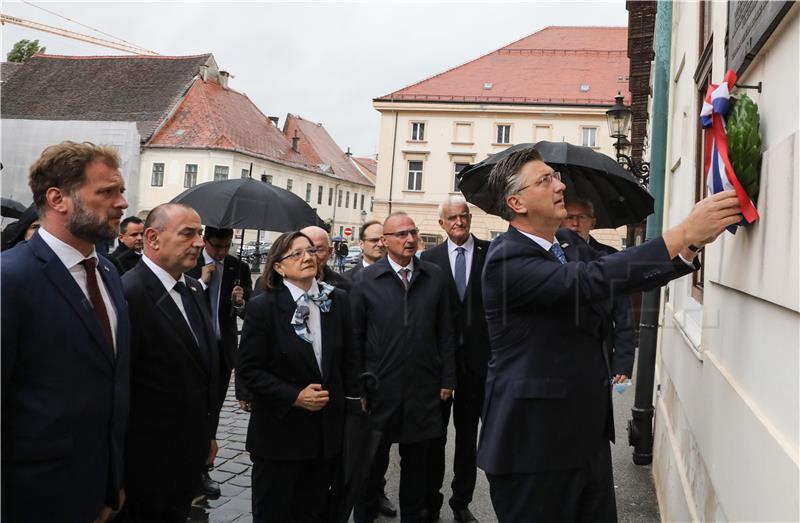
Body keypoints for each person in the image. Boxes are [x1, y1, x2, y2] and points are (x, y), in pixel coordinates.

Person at [476, 147, 743, 522]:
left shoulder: (569, 247)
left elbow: (615, 277)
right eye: (546, 180)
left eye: (556, 176)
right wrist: (681, 230)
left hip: (586, 440)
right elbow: (593, 280)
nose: (561, 186)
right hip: (532, 449)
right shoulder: (506, 259)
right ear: (516, 202)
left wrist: (691, 246)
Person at [1, 141, 129, 522]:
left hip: (99, 488)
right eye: (107, 192)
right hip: (34, 495)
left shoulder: (108, 272)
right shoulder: (10, 278)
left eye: (121, 190)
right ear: (58, 199)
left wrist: (112, 480)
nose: (122, 202)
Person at [237, 231, 361, 522]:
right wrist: (294, 396)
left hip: (325, 438)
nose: (307, 257)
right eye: (296, 254)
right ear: (279, 267)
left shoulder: (337, 300)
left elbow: (349, 360)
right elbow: (249, 370)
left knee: (315, 512)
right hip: (280, 437)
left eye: (310, 251)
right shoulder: (263, 306)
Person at [351, 212, 456, 523]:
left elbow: (446, 332)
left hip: (423, 390)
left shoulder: (434, 276)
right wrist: (358, 388)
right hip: (379, 389)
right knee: (371, 466)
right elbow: (355, 337)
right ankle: (366, 516)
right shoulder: (365, 280)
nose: (409, 239)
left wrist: (447, 377)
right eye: (401, 234)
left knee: (417, 469)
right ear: (385, 241)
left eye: (413, 232)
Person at [121, 203, 219, 522]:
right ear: (153, 238)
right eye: (188, 234)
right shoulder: (129, 294)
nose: (200, 243)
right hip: (145, 466)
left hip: (187, 458)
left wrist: (207, 434)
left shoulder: (191, 288)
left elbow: (201, 369)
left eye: (200, 234)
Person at [420, 195, 490, 523]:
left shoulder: (492, 254)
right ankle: (430, 503)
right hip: (439, 365)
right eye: (452, 218)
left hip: (479, 364)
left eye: (463, 216)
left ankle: (461, 502)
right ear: (441, 224)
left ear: (470, 219)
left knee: (467, 438)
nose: (459, 222)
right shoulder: (429, 259)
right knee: (435, 436)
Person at [186, 225, 253, 494]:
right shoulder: (190, 263)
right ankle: (186, 465)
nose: (221, 252)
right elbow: (181, 302)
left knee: (213, 409)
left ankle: (204, 469)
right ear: (205, 241)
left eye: (226, 247)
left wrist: (239, 302)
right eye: (216, 246)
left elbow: (246, 311)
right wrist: (201, 283)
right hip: (194, 348)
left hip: (222, 349)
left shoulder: (239, 267)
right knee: (192, 408)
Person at [562, 198, 635, 383]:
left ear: (592, 222)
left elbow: (624, 313)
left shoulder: (610, 256)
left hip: (598, 351)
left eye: (581, 217)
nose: (575, 223)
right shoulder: (551, 252)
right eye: (569, 217)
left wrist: (622, 363)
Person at [301, 225, 351, 290]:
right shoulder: (285, 285)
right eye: (302, 250)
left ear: (329, 251)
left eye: (318, 249)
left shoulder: (345, 287)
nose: (310, 257)